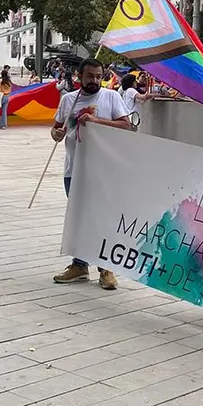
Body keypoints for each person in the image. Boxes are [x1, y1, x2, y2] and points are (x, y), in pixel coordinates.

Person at [52, 58, 131, 289]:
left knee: (101, 217)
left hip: (104, 170)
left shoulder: (111, 97)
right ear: (79, 76)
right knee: (80, 218)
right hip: (74, 168)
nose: (95, 80)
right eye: (90, 76)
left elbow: (126, 125)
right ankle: (79, 265)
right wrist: (56, 134)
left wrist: (96, 120)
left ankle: (105, 268)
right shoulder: (68, 99)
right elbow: (56, 128)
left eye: (98, 76)